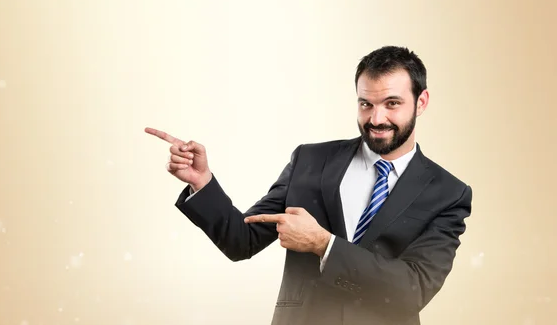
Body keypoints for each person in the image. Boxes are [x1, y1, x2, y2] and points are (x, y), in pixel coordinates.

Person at [145, 46, 473, 325]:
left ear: (422, 102)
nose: (376, 119)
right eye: (365, 104)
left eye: (391, 103)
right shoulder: (311, 161)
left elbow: (412, 289)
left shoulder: (447, 194)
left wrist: (324, 245)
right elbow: (241, 240)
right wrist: (203, 182)